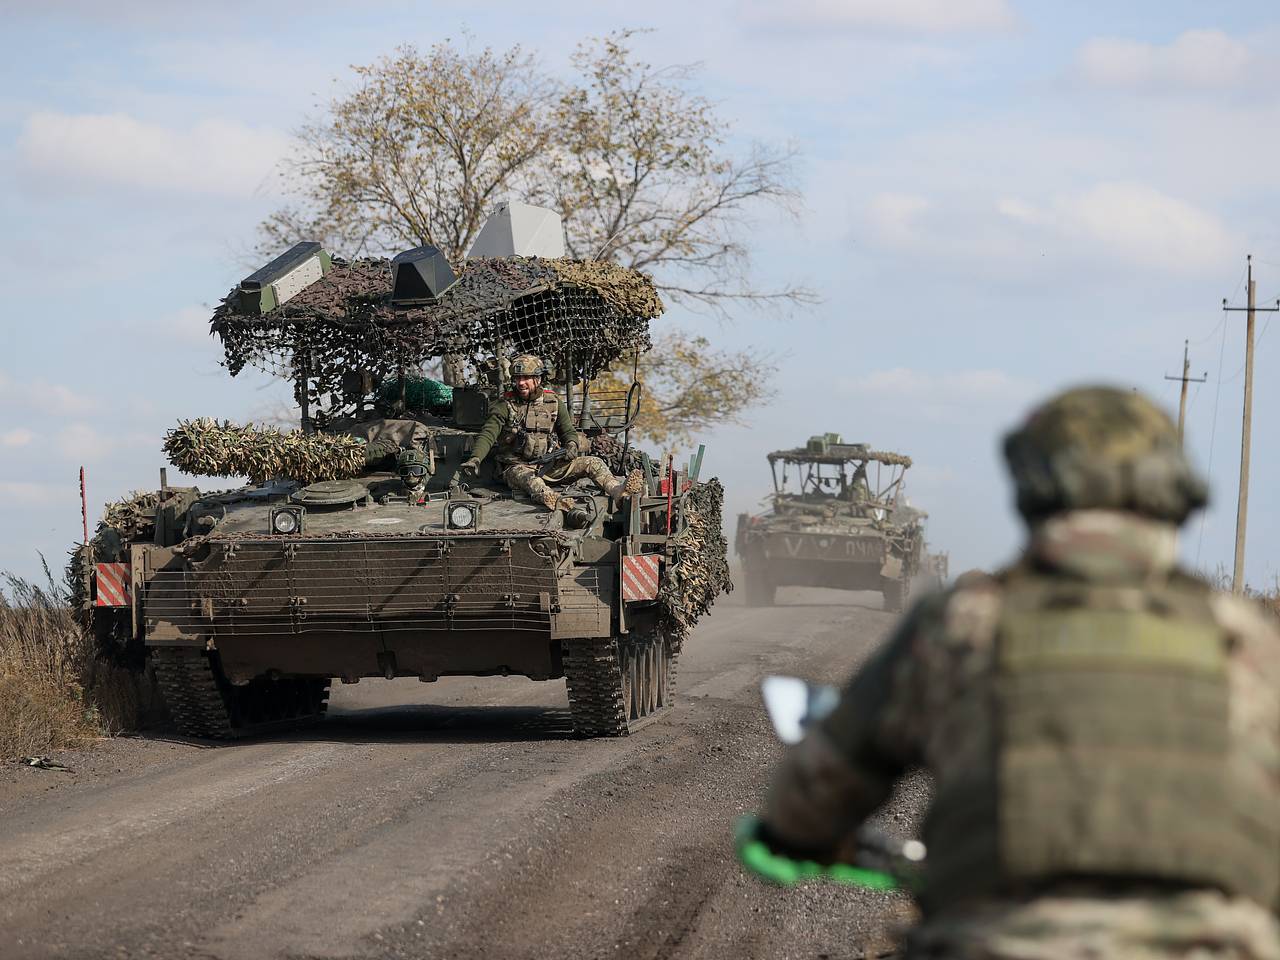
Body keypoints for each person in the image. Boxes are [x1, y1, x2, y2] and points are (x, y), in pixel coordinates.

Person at [748, 386, 1280, 958]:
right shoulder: (1252, 641)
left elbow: (816, 796)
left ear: (1031, 488)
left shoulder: (962, 625)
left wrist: (787, 831)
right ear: (1176, 491)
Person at [461, 355, 643, 511]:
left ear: (538, 379)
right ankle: (555, 500)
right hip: (515, 467)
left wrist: (571, 445)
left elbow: (568, 431)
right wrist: (475, 459)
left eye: (526, 377)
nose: (520, 383)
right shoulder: (504, 405)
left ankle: (618, 491)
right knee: (528, 479)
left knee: (594, 463)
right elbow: (488, 433)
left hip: (549, 465)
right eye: (517, 378)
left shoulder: (553, 401)